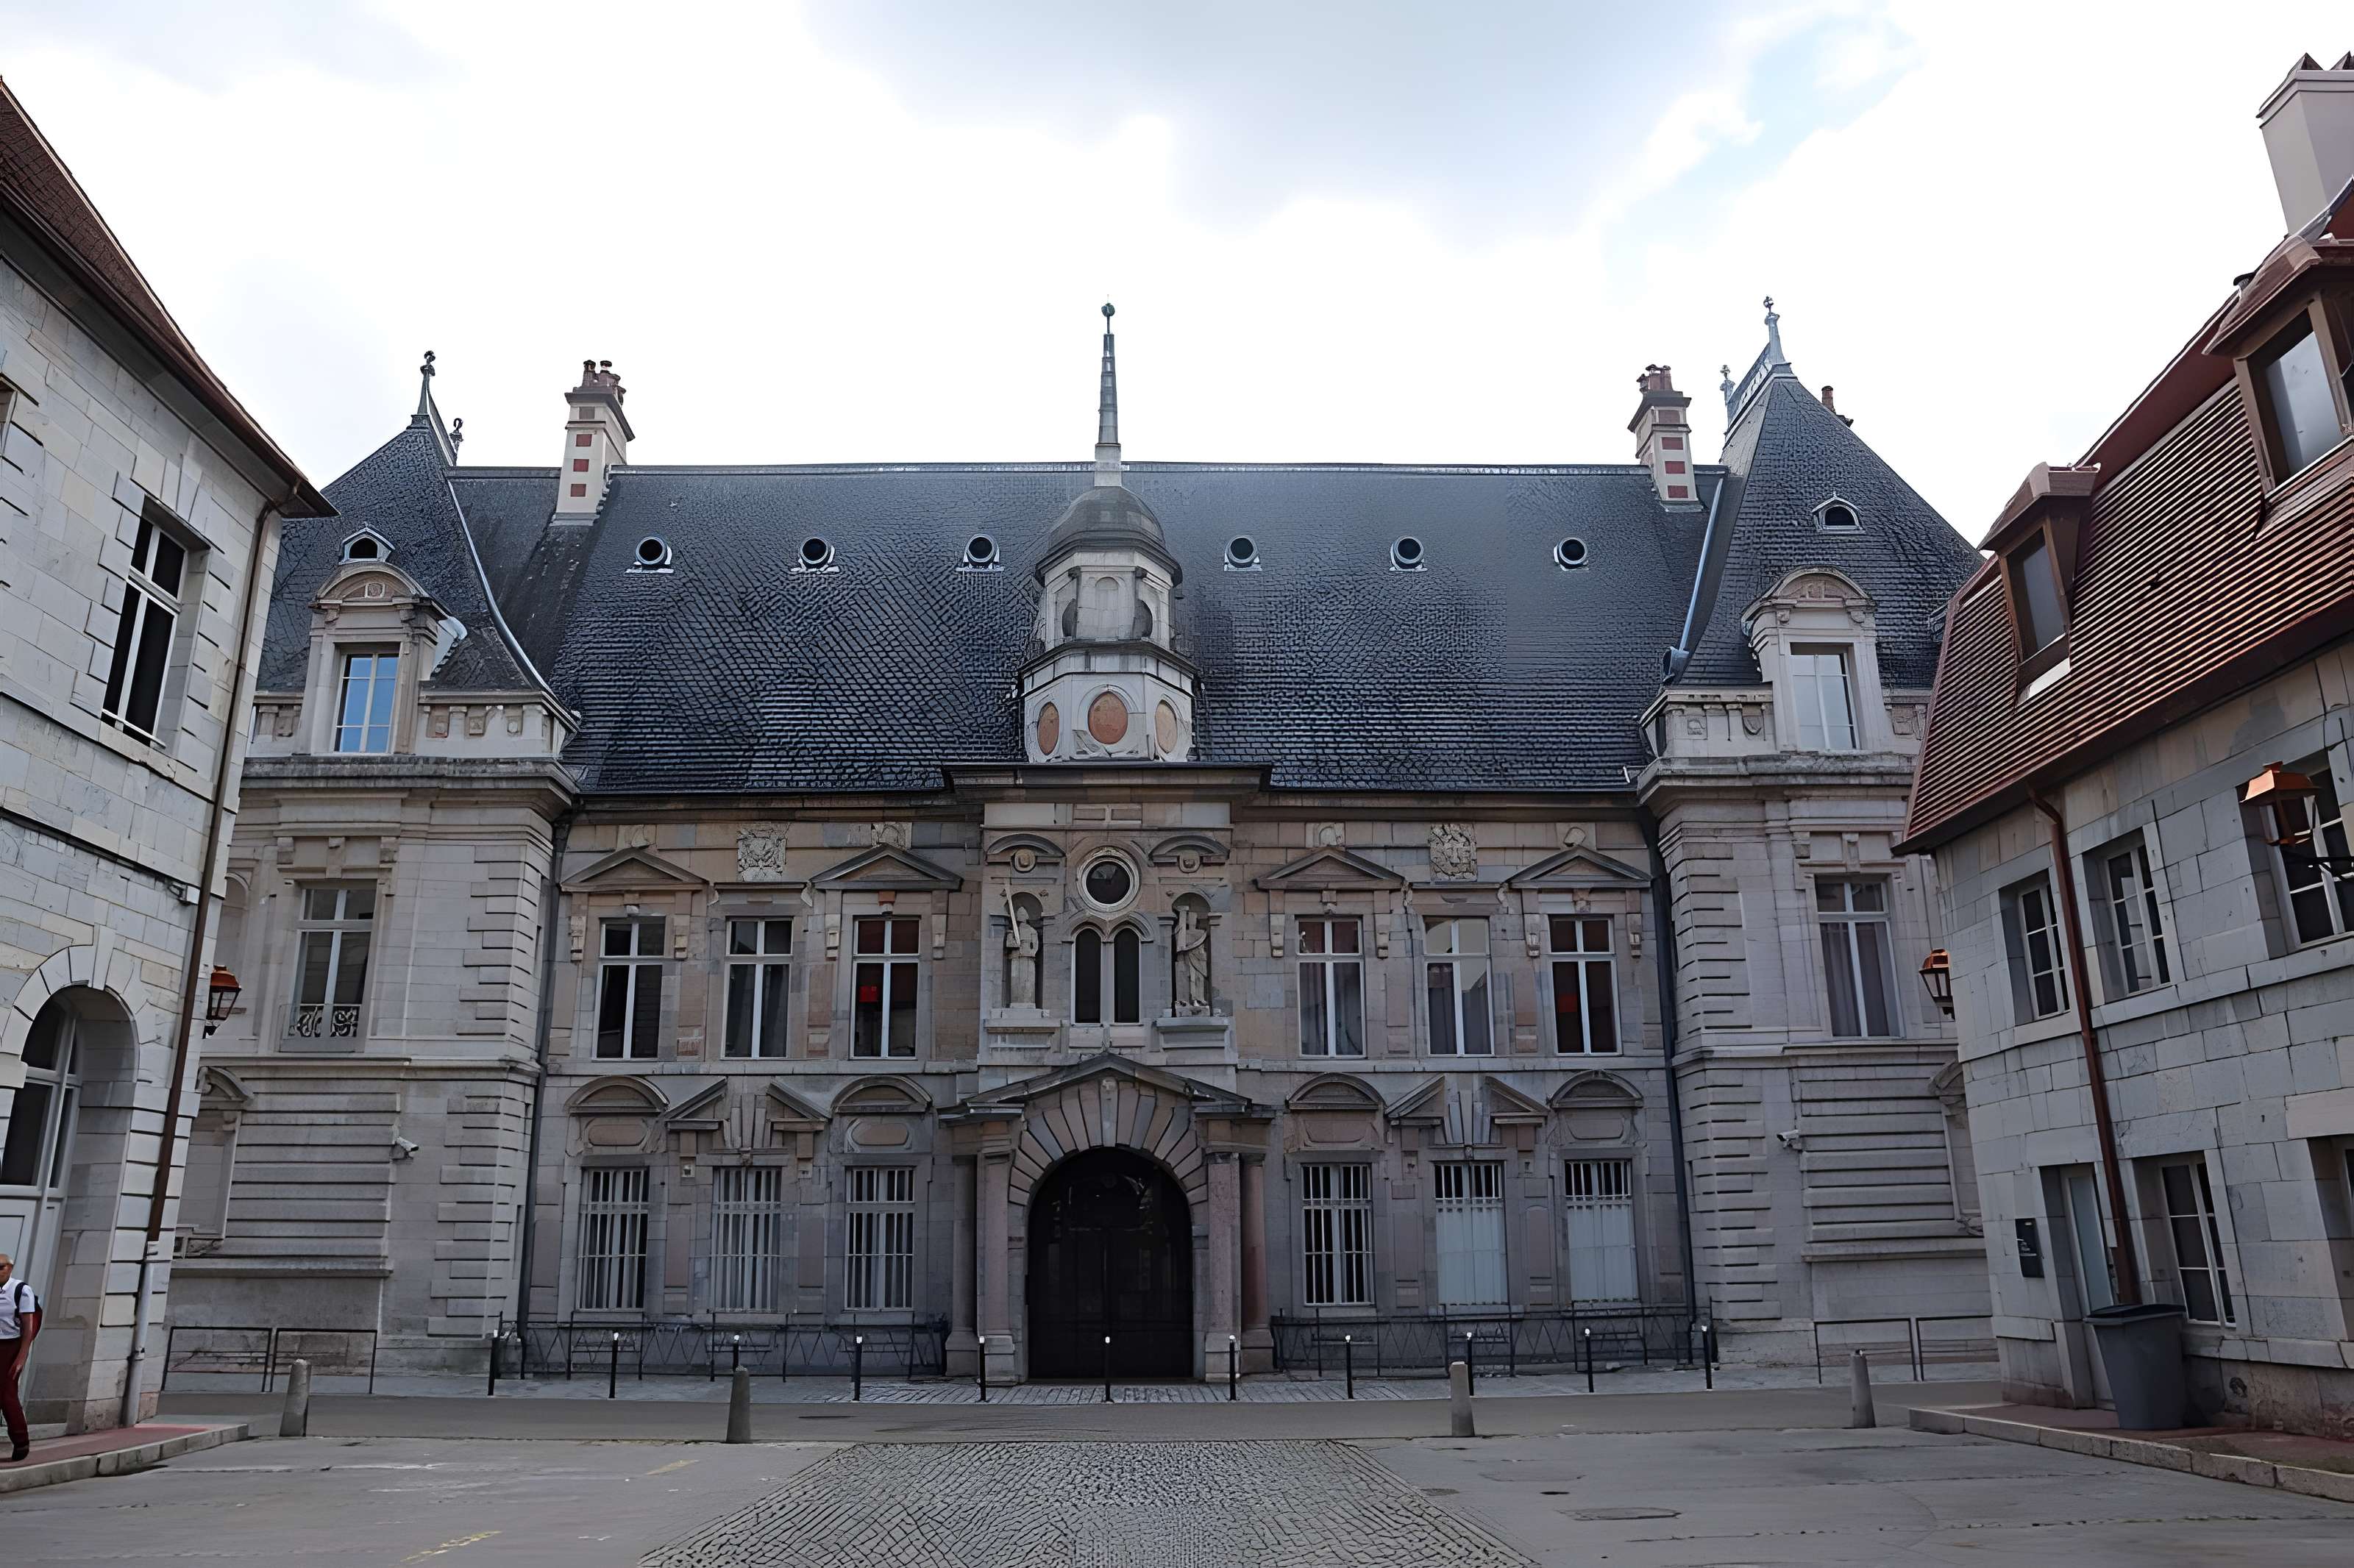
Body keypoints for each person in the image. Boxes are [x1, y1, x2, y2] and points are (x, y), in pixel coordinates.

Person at [0, 1253, 38, 1461]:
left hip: (11, 1345)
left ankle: (21, 1441)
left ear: (10, 1268)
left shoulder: (21, 1290)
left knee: (7, 1393)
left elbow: (28, 1327)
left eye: (1, 1267)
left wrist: (22, 1357)